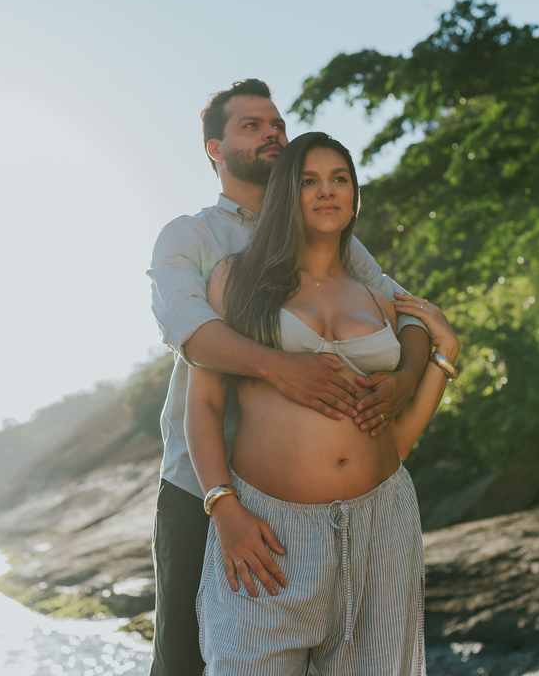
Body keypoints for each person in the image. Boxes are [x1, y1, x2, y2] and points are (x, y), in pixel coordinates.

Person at [147, 81, 431, 676]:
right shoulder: (193, 238)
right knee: (184, 661)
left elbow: (408, 314)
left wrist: (407, 377)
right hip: (203, 486)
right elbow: (191, 331)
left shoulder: (329, 240)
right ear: (214, 149)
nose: (271, 132)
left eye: (276, 123)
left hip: (334, 509)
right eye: (251, 125)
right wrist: (283, 369)